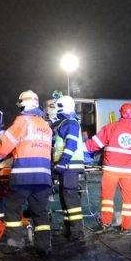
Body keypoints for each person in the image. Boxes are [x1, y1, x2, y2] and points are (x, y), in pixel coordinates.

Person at [0, 90, 54, 255]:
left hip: (23, 176)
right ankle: (43, 246)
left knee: (12, 207)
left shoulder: (22, 122)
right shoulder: (45, 126)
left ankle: (15, 242)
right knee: (40, 211)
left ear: (23, 105)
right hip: (43, 177)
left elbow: (5, 145)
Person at [84, 102, 131, 234]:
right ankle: (126, 226)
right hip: (128, 172)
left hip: (111, 170)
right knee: (128, 201)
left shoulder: (110, 128)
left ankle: (106, 223)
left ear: (120, 113)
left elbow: (92, 145)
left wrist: (80, 147)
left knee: (107, 199)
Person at [50, 95, 85, 241]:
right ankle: (69, 229)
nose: (55, 111)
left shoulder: (70, 123)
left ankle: (77, 232)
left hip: (69, 166)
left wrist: (63, 162)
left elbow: (71, 145)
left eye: (57, 107)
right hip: (65, 167)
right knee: (65, 199)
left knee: (71, 199)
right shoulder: (65, 123)